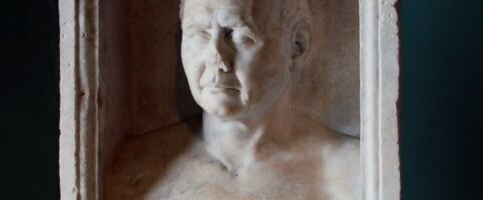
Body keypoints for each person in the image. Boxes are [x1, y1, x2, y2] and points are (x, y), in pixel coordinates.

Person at [106, 0, 359, 199]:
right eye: (200, 34)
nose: (217, 59)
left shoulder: (353, 172)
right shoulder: (133, 170)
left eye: (239, 37)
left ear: (296, 45)